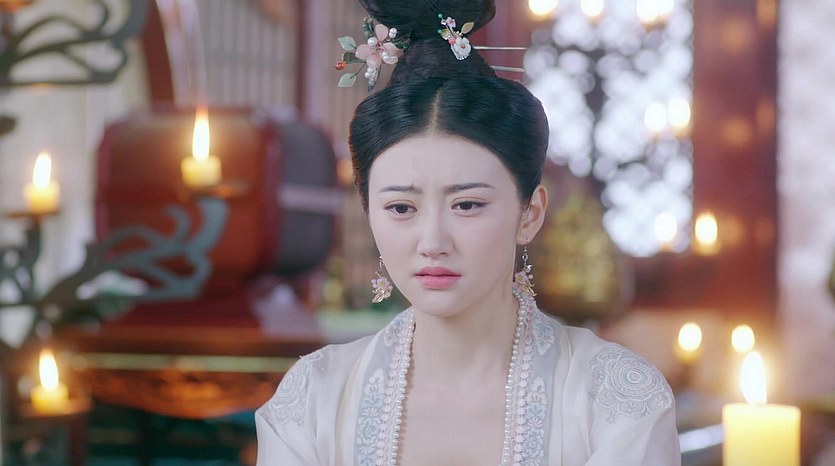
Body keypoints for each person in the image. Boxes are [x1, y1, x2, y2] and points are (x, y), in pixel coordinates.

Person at [255, 0, 680, 464]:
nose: (433, 242)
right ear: (368, 212)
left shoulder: (613, 402)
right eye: (401, 208)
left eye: (467, 205)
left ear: (529, 213)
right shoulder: (315, 401)